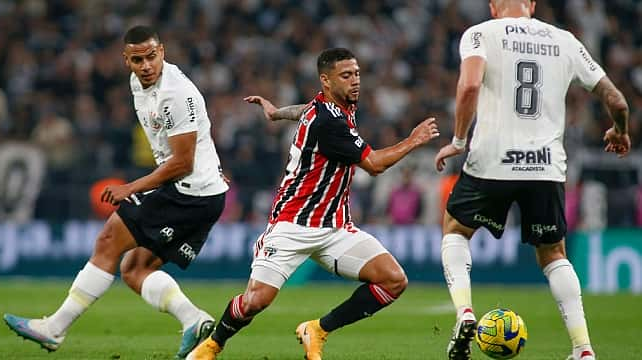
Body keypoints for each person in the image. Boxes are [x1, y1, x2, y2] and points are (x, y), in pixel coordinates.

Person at [185, 47, 440, 360]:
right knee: (256, 301)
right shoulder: (328, 121)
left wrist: (277, 112)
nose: (355, 81)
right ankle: (212, 345)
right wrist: (413, 140)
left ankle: (317, 329)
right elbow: (373, 164)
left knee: (393, 280)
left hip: (335, 227)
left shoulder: (331, 105)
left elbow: (304, 109)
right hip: (292, 223)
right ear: (326, 81)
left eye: (357, 73)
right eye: (346, 76)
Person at [4, 25, 229, 359]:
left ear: (163, 52)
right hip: (196, 192)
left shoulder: (176, 94)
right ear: (127, 61)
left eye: (152, 56)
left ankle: (54, 329)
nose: (146, 65)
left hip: (189, 191)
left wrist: (131, 187)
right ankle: (194, 320)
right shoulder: (137, 83)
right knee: (134, 270)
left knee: (108, 240)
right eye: (138, 59)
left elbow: (183, 162)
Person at [434, 1, 631, 360]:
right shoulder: (565, 40)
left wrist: (458, 141)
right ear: (532, 5)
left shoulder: (480, 34)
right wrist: (619, 131)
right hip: (544, 166)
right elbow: (617, 101)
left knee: (456, 230)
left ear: (494, 6)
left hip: (491, 160)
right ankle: (583, 349)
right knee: (554, 255)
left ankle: (464, 312)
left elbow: (469, 86)